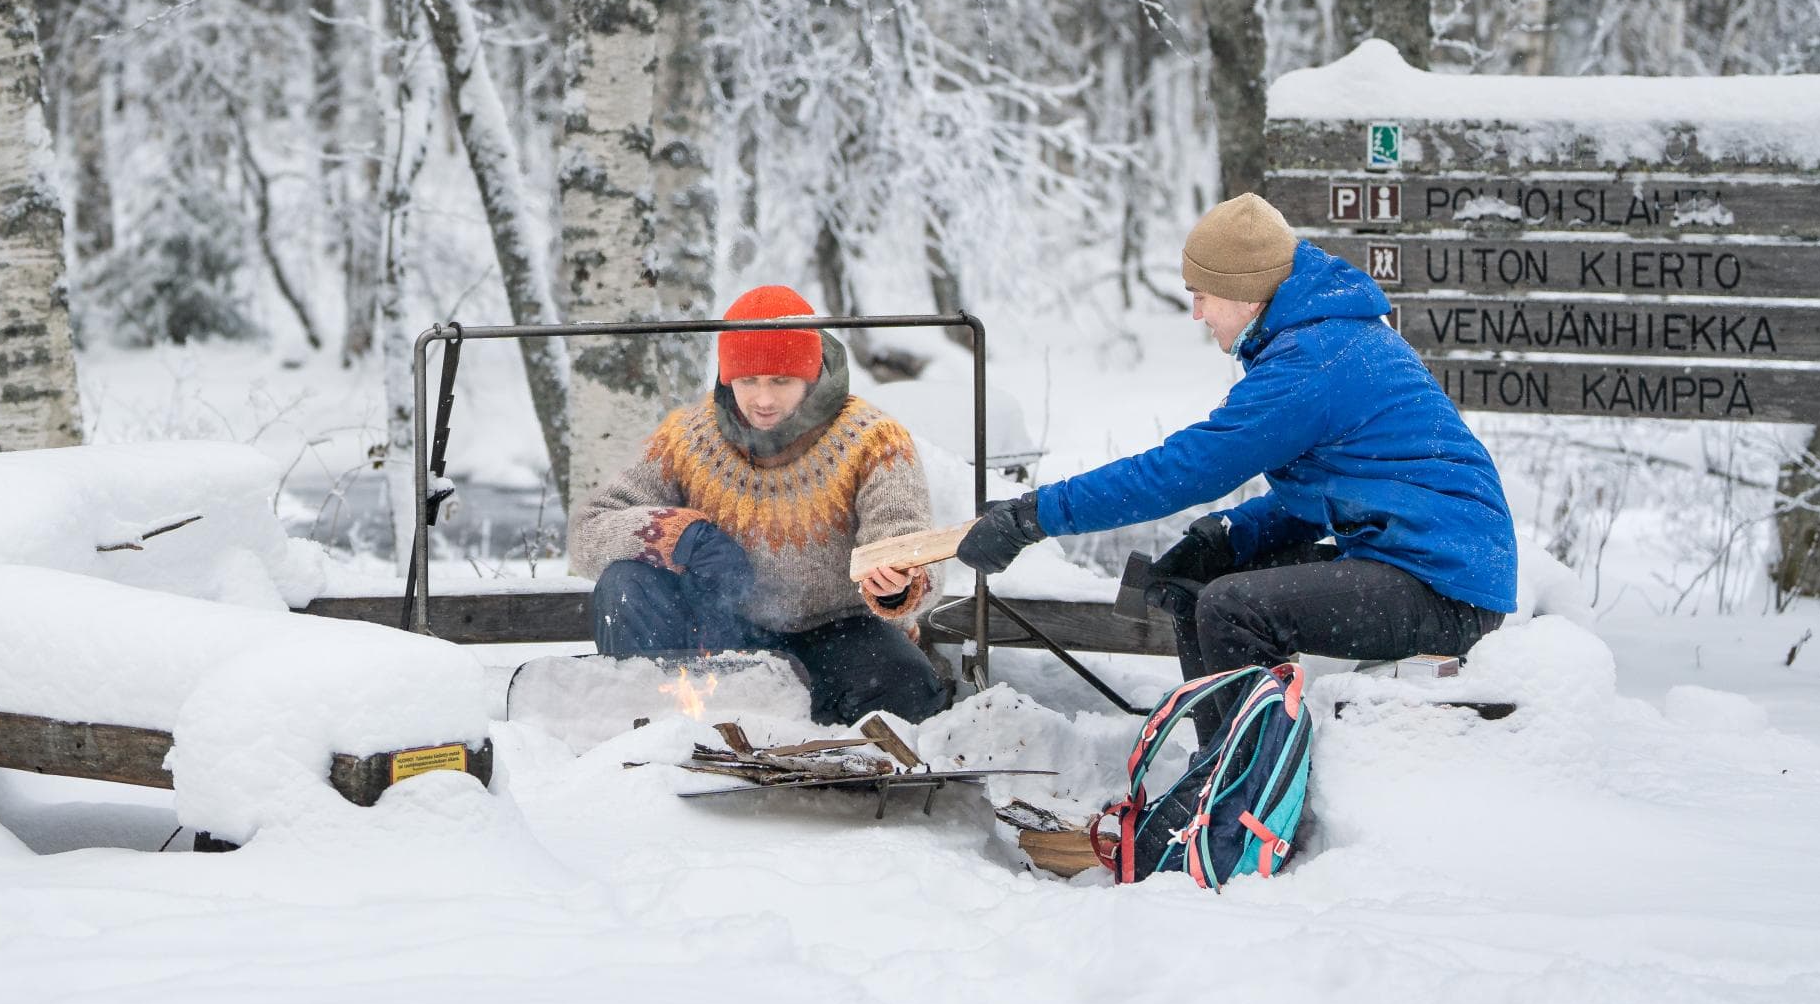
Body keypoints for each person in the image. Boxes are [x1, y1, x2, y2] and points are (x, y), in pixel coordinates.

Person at [956, 195, 1516, 725]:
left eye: (1202, 294)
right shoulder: (1323, 338)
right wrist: (1230, 535)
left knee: (1233, 608)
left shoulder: (1312, 362)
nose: (1197, 313)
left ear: (1247, 294)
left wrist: (1033, 516)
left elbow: (1185, 469)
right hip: (1420, 567)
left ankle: (1246, 799)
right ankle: (1218, 772)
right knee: (1202, 585)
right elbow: (1335, 488)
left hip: (1445, 591)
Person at [571, 284, 951, 725]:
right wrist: (680, 535)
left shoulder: (873, 440)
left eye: (781, 381)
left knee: (910, 687)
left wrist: (899, 583)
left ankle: (826, 751)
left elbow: (911, 543)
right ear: (729, 377)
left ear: (810, 376)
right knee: (625, 584)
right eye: (748, 381)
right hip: (718, 634)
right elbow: (588, 532)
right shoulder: (687, 437)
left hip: (837, 630)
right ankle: (654, 730)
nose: (764, 400)